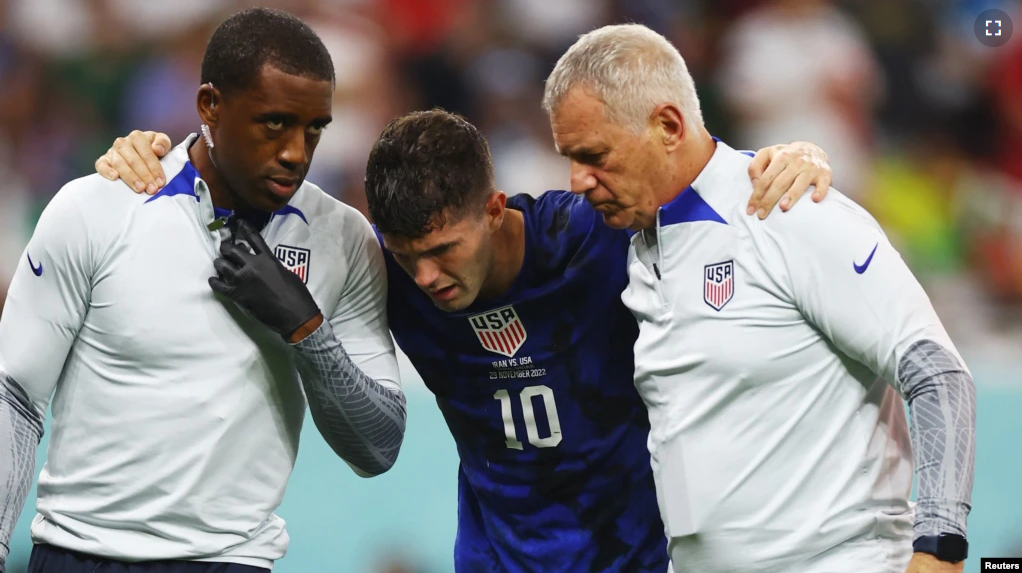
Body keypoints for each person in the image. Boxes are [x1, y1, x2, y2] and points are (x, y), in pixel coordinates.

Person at [97, 108, 831, 571]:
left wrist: (784, 160)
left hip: (640, 553)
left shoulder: (591, 238)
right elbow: (223, 208)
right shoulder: (385, 278)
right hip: (493, 558)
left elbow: (693, 176)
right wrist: (155, 159)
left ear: (494, 207)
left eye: (444, 248)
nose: (426, 277)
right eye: (405, 252)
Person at [543, 23, 975, 573]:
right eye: (568, 157)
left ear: (668, 125)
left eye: (594, 155)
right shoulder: (633, 242)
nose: (577, 180)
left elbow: (938, 373)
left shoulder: (790, 210)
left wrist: (940, 547)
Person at [0, 8, 406, 573]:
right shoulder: (96, 208)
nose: (296, 151)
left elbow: (378, 446)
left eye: (315, 128)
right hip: (81, 554)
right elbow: (14, 397)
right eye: (275, 123)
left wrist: (304, 329)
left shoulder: (344, 239)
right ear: (210, 105)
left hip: (232, 562)